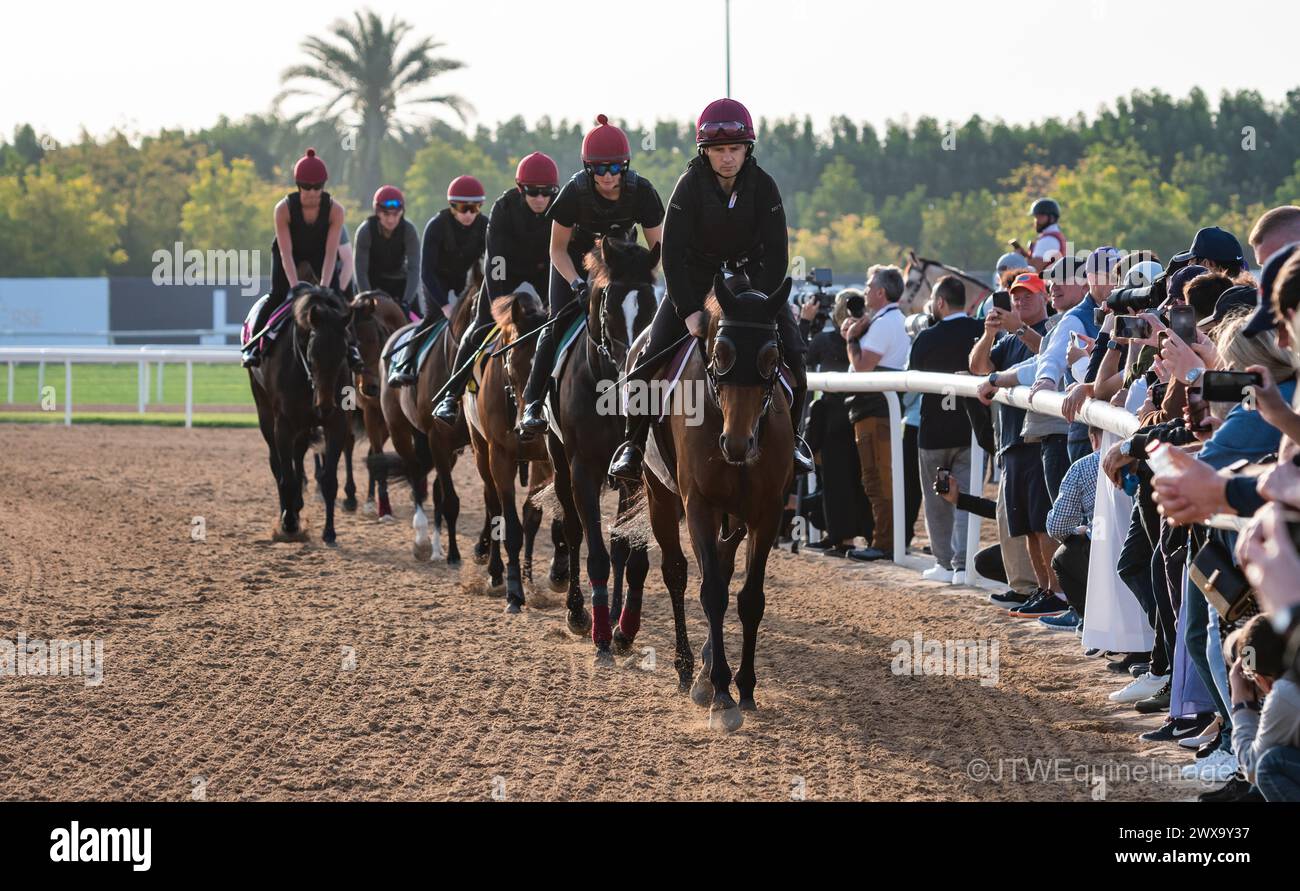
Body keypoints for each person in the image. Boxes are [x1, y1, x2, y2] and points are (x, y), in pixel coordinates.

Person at [606, 99, 813, 478]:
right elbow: (671, 256)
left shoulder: (764, 186)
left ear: (747, 148)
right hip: (695, 283)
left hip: (754, 288)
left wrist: (758, 306)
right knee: (648, 360)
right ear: (705, 151)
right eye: (719, 150)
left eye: (735, 149)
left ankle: (797, 440)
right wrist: (688, 312)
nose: (728, 158)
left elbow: (779, 256)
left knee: (797, 358)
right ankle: (632, 446)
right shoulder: (688, 187)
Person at [518, 114, 665, 443]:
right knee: (557, 323)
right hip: (574, 263)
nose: (609, 177)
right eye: (600, 169)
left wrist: (641, 282)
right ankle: (533, 402)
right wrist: (576, 284)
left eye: (615, 168)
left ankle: (663, 398)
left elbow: (658, 250)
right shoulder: (572, 193)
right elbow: (557, 250)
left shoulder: (642, 191)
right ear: (589, 169)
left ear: (625, 167)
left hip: (620, 262)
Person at [433, 152, 560, 423]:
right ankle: (450, 397)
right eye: (533, 192)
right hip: (504, 272)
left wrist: (553, 305)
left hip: (544, 270)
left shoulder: (560, 208)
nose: (540, 199)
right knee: (479, 326)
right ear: (520, 189)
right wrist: (501, 308)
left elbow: (560, 254)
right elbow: (497, 262)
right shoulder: (503, 209)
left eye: (547, 192)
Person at [970, 273, 1056, 608]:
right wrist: (989, 333)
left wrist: (1018, 327)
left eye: (1027, 297)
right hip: (1010, 441)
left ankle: (1054, 591)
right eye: (1015, 298)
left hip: (1038, 439)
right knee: (1020, 526)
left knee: (1040, 525)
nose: (1020, 303)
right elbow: (978, 366)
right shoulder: (1006, 340)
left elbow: (1048, 354)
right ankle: (1032, 589)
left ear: (1043, 297)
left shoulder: (1052, 329)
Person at [241, 148, 352, 368]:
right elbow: (286, 253)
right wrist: (295, 287)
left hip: (319, 252)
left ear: (324, 186)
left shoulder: (335, 211)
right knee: (277, 295)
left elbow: (331, 253)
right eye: (307, 187)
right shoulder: (283, 209)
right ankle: (254, 346)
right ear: (298, 186)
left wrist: (324, 287)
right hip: (289, 252)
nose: (312, 192)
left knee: (337, 296)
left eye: (317, 187)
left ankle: (353, 348)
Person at [908, 275, 984, 584]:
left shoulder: (927, 337)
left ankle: (943, 562)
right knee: (965, 496)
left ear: (940, 302)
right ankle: (962, 564)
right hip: (970, 432)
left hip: (934, 434)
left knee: (938, 498)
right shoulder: (979, 331)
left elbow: (910, 382)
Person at [389, 176, 489, 387]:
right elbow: (426, 272)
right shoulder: (436, 226)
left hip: (464, 281)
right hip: (436, 280)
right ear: (452, 207)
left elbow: (492, 261)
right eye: (464, 208)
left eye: (475, 208)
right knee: (431, 319)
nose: (469, 214)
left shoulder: (484, 225)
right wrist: (444, 305)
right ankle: (405, 365)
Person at [841, 264, 910, 561]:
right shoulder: (886, 319)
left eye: (870, 287)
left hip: (875, 408)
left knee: (878, 478)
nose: (866, 291)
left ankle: (884, 543)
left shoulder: (883, 323)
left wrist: (851, 339)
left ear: (880, 292)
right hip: (877, 407)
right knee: (877, 477)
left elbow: (861, 367)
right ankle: (884, 540)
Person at [353, 185, 421, 316]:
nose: (391, 219)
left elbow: (414, 269)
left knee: (420, 324)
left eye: (396, 214)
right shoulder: (365, 231)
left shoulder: (409, 231)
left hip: (399, 284)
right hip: (371, 283)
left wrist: (406, 301)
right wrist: (368, 299)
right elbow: (360, 271)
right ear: (377, 212)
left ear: (402, 212)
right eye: (386, 214)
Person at [1021, 198, 1066, 273]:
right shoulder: (1054, 236)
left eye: (1040, 217)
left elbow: (1035, 269)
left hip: (1046, 283)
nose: (1036, 221)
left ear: (1051, 218)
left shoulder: (1048, 240)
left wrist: (1019, 258)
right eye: (1035, 217)